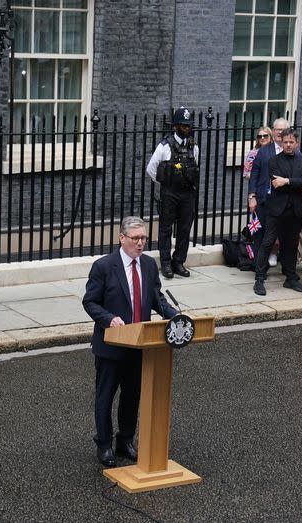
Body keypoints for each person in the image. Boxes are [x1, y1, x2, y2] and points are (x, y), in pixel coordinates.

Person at [82, 216, 178, 467]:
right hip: (111, 345)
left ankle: (125, 440)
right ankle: (104, 445)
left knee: (132, 395)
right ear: (121, 238)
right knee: (105, 396)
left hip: (139, 344)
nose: (141, 243)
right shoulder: (103, 266)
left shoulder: (147, 264)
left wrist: (175, 316)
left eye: (144, 238)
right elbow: (90, 301)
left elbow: (156, 298)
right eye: (135, 238)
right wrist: (108, 318)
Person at [253, 129, 302, 295]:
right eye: (285, 142)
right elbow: (275, 182)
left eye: (291, 142)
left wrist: (287, 181)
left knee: (291, 244)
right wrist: (292, 183)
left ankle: (290, 278)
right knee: (268, 241)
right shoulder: (274, 161)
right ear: (281, 143)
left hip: (295, 209)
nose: (288, 145)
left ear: (296, 143)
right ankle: (259, 278)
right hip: (277, 209)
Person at [146, 106, 199, 279]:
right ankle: (166, 263)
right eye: (183, 125)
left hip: (187, 193)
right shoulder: (165, 146)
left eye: (188, 125)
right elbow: (151, 169)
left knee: (184, 229)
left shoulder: (194, 146)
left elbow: (194, 166)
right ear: (175, 126)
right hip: (169, 193)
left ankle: (179, 262)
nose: (187, 128)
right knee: (166, 229)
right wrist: (165, 184)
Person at [248, 118, 295, 268]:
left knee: (285, 237)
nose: (280, 133)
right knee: (259, 234)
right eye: (277, 129)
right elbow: (254, 174)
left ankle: (288, 270)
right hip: (263, 200)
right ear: (273, 131)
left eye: (283, 130)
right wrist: (252, 196)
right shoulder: (263, 151)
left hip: (285, 203)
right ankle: (259, 267)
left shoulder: (294, 152)